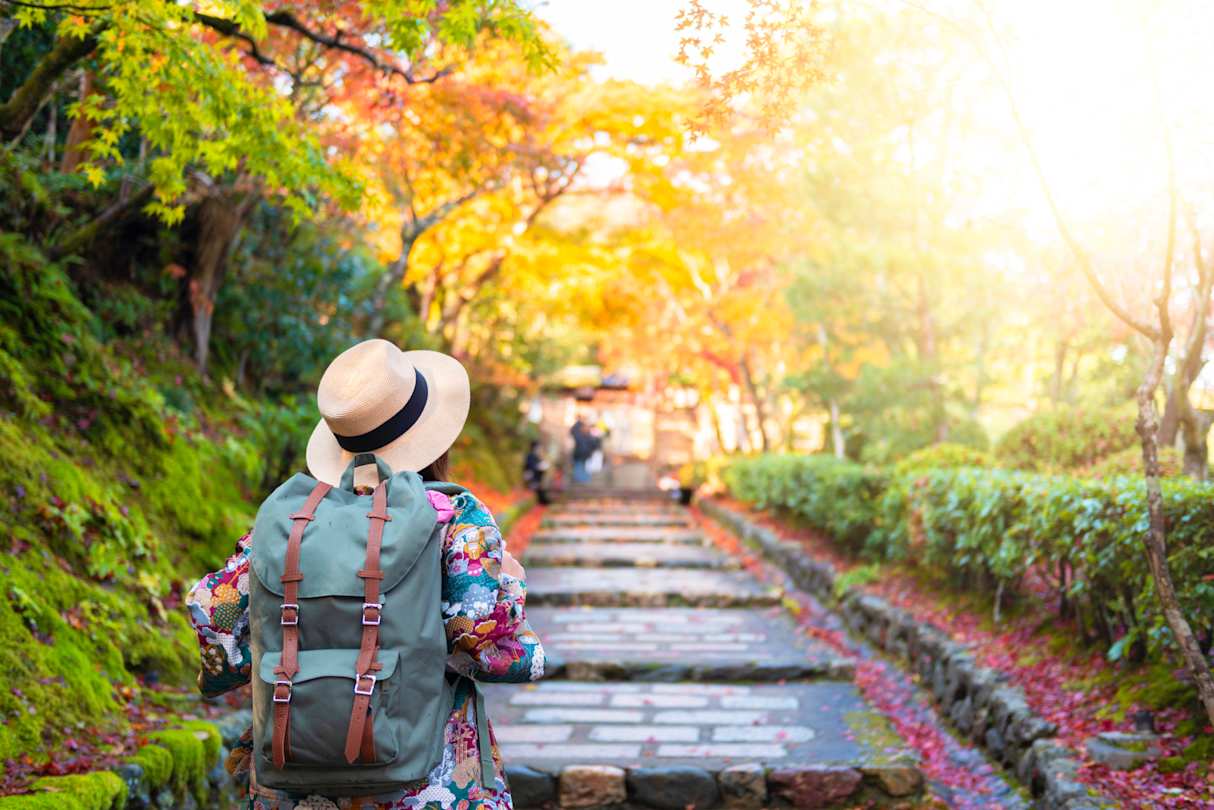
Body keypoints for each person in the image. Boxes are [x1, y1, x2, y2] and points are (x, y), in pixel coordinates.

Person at [186, 339, 544, 810]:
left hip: (297, 781)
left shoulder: (291, 526)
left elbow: (219, 634)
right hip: (426, 781)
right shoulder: (452, 516)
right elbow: (482, 647)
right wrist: (514, 592)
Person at [569, 417, 597, 484]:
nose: (586, 429)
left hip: (586, 457)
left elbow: (594, 445)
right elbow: (573, 430)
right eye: (584, 427)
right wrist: (579, 421)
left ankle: (584, 483)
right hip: (578, 456)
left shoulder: (590, 437)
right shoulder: (579, 436)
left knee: (586, 470)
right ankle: (579, 482)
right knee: (578, 469)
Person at [522, 440, 550, 505]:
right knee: (539, 489)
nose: (539, 449)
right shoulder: (530, 456)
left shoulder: (537, 456)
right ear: (535, 448)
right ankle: (541, 499)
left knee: (542, 487)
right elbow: (530, 467)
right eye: (539, 447)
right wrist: (539, 466)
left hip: (537, 477)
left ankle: (543, 499)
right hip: (532, 477)